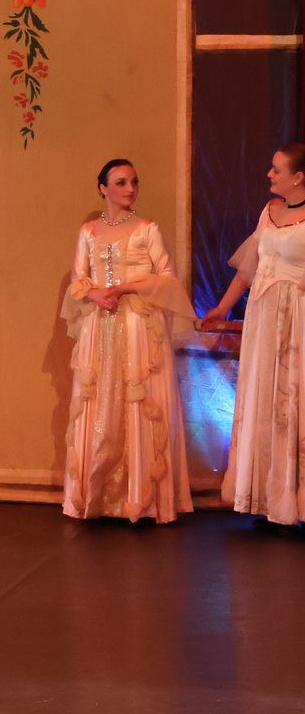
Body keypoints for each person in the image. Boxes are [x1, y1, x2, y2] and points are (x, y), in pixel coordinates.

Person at [55, 159, 194, 523]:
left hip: (136, 325)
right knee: (99, 400)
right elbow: (78, 279)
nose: (130, 189)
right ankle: (97, 496)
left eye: (133, 181)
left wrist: (126, 288)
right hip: (99, 324)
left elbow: (168, 277)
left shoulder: (147, 229)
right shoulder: (88, 231)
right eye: (120, 182)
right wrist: (95, 294)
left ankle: (140, 497)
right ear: (103, 188)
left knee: (138, 401)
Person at [200, 143, 305, 526]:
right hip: (262, 316)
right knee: (262, 399)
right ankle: (263, 496)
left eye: (277, 170)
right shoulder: (269, 212)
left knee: (293, 400)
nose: (269, 174)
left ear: (298, 177)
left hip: (296, 319)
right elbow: (248, 270)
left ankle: (294, 500)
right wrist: (221, 308)